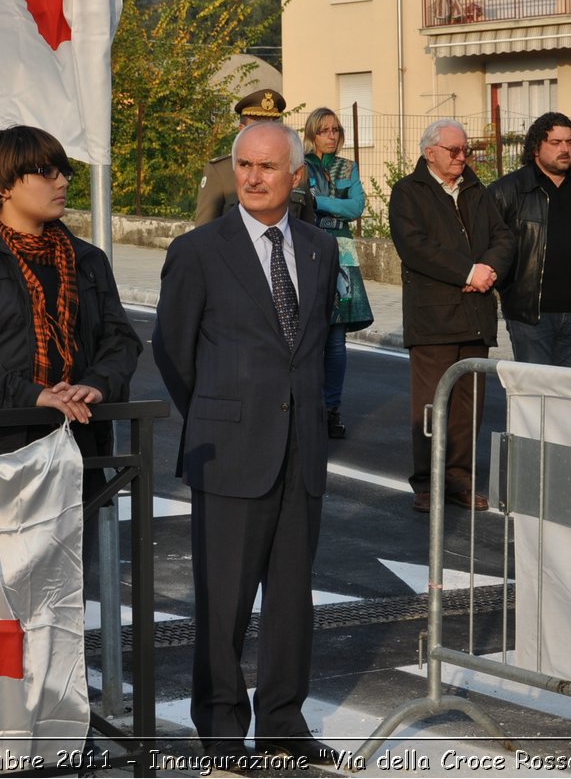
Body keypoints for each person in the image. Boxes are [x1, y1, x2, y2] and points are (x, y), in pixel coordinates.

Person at [153, 121, 342, 769]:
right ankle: (223, 730)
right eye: (245, 165)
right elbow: (173, 351)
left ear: (297, 176)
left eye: (268, 166)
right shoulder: (199, 250)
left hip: (301, 450)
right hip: (230, 450)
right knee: (225, 598)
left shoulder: (319, 248)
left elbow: (315, 346)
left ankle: (284, 719)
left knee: (293, 595)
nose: (255, 177)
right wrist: (217, 416)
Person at [0, 125, 139, 460]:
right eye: (45, 172)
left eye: (64, 172)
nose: (62, 182)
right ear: (2, 185)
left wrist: (95, 384)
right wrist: (30, 395)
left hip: (75, 444)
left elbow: (120, 340)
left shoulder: (87, 260)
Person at [389, 119, 514, 514]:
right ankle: (428, 483)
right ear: (430, 153)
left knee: (468, 407)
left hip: (475, 314)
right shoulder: (408, 192)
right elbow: (415, 247)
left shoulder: (477, 190)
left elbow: (504, 237)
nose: (463, 157)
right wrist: (467, 272)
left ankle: (458, 480)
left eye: (467, 150)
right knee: (431, 406)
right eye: (455, 151)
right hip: (432, 319)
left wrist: (488, 269)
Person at [489, 111, 571, 369]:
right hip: (530, 315)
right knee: (534, 396)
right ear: (535, 148)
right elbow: (492, 248)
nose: (565, 149)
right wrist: (510, 294)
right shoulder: (507, 191)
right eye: (555, 143)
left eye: (570, 141)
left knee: (569, 397)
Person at [302, 107, 373, 439]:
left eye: (335, 130)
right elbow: (300, 201)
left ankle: (332, 408)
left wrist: (322, 203)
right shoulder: (301, 165)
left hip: (343, 253)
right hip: (308, 249)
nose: (331, 135)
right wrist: (330, 202)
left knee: (336, 339)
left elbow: (356, 207)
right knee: (309, 334)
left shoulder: (349, 166)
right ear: (312, 133)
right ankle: (308, 405)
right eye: (324, 130)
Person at [195, 87, 315, 226]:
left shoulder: (294, 169)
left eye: (272, 126)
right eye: (257, 128)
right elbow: (204, 233)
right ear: (241, 130)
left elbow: (307, 230)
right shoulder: (220, 172)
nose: (265, 134)